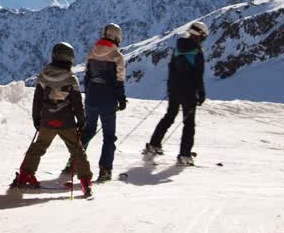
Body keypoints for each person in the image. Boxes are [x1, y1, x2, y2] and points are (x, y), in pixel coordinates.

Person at [11, 42, 94, 197]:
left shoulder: (43, 76)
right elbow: (77, 103)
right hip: (67, 122)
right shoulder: (71, 79)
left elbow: (37, 101)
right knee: (77, 150)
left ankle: (25, 175)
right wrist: (81, 121)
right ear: (70, 58)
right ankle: (85, 181)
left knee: (39, 147)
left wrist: (37, 119)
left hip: (47, 120)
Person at [143, 21, 209, 166]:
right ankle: (184, 155)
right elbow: (198, 75)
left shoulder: (178, 48)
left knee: (169, 117)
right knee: (188, 124)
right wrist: (201, 93)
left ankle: (154, 145)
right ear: (201, 36)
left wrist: (171, 87)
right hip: (189, 92)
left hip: (174, 89)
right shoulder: (197, 52)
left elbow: (171, 68)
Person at [81, 22, 127, 182]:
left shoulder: (92, 52)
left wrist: (89, 94)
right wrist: (121, 99)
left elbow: (86, 77)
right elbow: (119, 80)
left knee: (88, 130)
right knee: (108, 136)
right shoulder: (117, 57)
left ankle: (73, 163)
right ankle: (105, 170)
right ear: (117, 37)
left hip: (91, 99)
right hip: (108, 101)